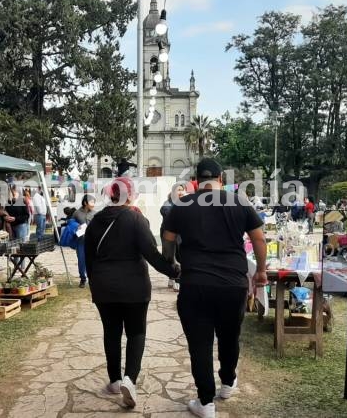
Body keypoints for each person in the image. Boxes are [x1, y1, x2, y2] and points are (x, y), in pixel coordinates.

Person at [162, 158, 268, 418]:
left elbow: (168, 239)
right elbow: (258, 237)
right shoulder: (239, 201)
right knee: (230, 336)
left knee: (199, 343)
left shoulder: (182, 204)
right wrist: (262, 271)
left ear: (196, 181)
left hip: (195, 283)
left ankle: (206, 403)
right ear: (221, 179)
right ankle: (228, 383)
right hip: (232, 284)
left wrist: (171, 262)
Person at [84, 176, 179, 409]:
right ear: (131, 195)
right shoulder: (136, 219)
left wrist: (96, 284)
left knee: (111, 332)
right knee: (136, 333)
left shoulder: (95, 221)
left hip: (104, 288)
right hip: (134, 287)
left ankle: (115, 380)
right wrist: (173, 271)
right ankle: (130, 379)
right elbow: (152, 254)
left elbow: (89, 260)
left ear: (111, 195)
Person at [160, 181, 194, 291]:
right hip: (169, 234)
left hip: (182, 234)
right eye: (178, 190)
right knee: (170, 256)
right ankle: (174, 277)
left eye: (182, 189)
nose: (180, 192)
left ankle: (177, 277)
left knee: (181, 256)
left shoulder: (187, 203)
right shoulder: (168, 203)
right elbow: (165, 212)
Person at [72, 194, 96, 288]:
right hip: (81, 241)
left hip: (92, 241)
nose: (93, 204)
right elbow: (70, 223)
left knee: (92, 260)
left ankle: (92, 279)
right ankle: (83, 279)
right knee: (81, 260)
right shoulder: (77, 213)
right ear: (85, 203)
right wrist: (76, 226)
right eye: (91, 202)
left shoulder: (95, 213)